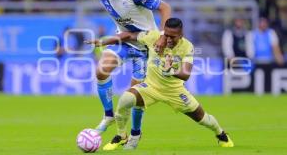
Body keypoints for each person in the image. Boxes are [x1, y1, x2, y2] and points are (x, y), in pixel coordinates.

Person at [86, 18, 234, 150]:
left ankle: (220, 133)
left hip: (174, 91)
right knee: (126, 99)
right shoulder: (154, 37)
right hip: (150, 87)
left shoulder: (187, 47)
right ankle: (121, 136)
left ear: (181, 35)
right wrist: (104, 41)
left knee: (203, 119)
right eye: (166, 35)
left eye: (172, 37)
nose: (168, 39)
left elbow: (186, 74)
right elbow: (129, 36)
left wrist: (170, 71)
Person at [76, 0, 171, 135]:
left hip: (145, 46)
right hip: (124, 40)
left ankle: (135, 132)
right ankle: (108, 115)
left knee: (133, 97)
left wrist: (163, 36)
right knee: (101, 70)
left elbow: (165, 8)